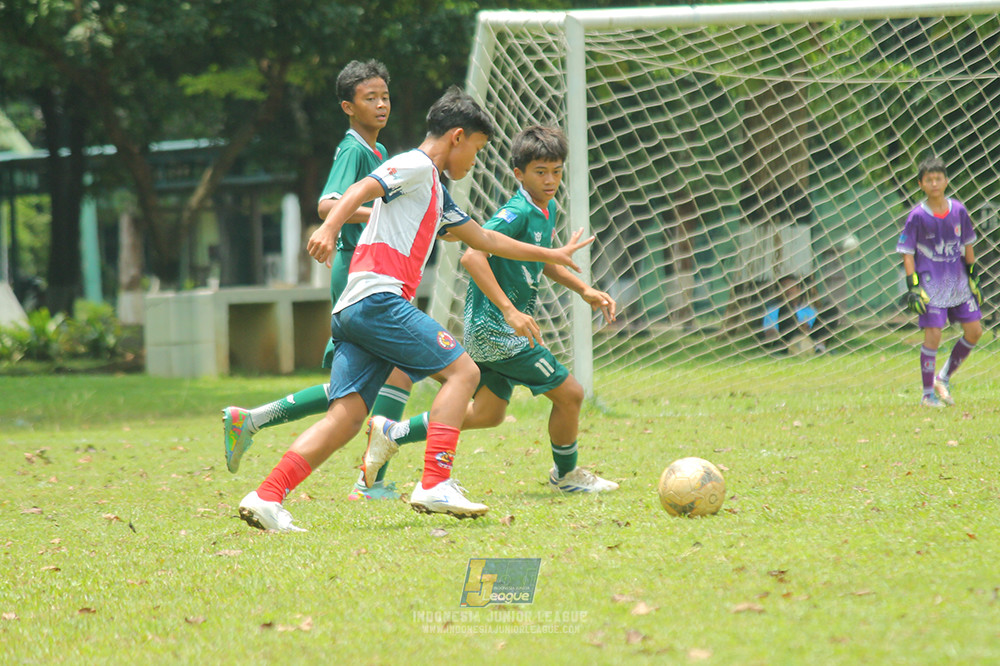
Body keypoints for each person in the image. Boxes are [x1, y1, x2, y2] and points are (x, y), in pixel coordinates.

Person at [237, 87, 594, 531]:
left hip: (354, 309)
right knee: (464, 373)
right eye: (477, 151)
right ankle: (435, 481)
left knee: (346, 417)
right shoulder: (417, 164)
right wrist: (329, 226)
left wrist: (552, 254)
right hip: (378, 299)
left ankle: (267, 495)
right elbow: (363, 187)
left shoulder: (437, 195)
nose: (474, 163)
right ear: (458, 137)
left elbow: (484, 240)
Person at [364, 126, 619, 493]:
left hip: (494, 331)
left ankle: (394, 432)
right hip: (499, 332)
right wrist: (510, 311)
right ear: (519, 174)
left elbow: (539, 260)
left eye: (556, 171)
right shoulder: (515, 212)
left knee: (488, 414)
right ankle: (566, 476)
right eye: (540, 172)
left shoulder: (541, 212)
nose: (550, 180)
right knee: (571, 394)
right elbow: (473, 255)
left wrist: (584, 289)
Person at [221, 60, 411, 501]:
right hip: (358, 275)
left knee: (364, 382)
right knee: (396, 371)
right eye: (370, 98)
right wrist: (384, 212)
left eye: (385, 96)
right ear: (348, 106)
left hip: (368, 271)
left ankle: (250, 420)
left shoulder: (375, 151)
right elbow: (328, 204)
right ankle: (370, 480)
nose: (381, 104)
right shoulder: (354, 149)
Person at [897, 156, 983, 407]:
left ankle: (942, 378)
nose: (934, 183)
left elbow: (968, 245)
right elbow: (907, 252)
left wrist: (973, 277)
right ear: (921, 184)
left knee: (975, 331)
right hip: (930, 284)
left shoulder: (959, 211)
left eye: (938, 178)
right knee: (933, 335)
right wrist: (913, 285)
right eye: (928, 180)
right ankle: (927, 395)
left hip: (957, 283)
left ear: (946, 181)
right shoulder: (917, 216)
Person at [760, 274, 818, 354]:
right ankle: (793, 347)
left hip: (808, 338)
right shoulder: (773, 310)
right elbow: (770, 332)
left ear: (799, 289)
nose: (789, 290)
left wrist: (805, 328)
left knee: (830, 309)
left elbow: (814, 326)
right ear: (779, 293)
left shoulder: (809, 310)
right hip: (786, 339)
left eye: (792, 287)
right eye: (785, 287)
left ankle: (820, 348)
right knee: (787, 308)